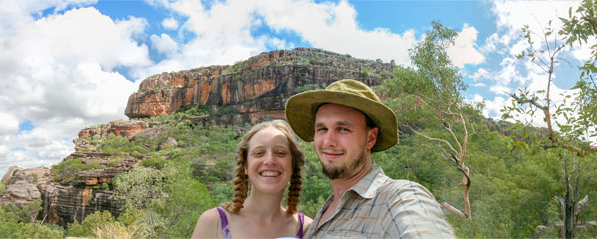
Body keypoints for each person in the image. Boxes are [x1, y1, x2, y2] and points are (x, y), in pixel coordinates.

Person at [285, 79, 455, 238]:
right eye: (322, 129)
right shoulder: (321, 215)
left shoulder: (399, 197)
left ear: (371, 138)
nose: (328, 141)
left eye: (343, 129)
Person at [192, 120, 312, 239]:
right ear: (245, 165)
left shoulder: (307, 229)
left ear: (293, 165)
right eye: (259, 153)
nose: (270, 160)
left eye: (280, 153)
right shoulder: (214, 222)